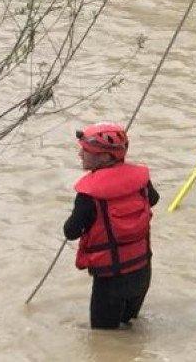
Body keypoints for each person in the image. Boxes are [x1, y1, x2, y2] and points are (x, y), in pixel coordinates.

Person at [64, 122, 158, 330]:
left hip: (110, 280)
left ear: (105, 157)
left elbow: (70, 232)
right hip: (142, 271)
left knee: (103, 338)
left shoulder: (88, 194)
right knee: (128, 329)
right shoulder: (141, 180)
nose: (80, 154)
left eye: (86, 150)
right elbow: (153, 199)